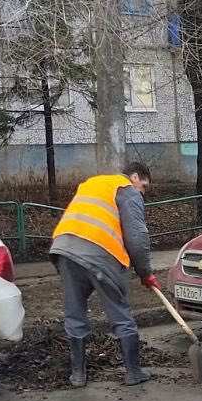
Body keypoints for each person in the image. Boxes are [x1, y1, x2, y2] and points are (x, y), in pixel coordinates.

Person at [50, 161, 158, 387]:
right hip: (100, 254)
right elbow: (137, 237)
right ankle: (133, 372)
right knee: (119, 311)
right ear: (135, 177)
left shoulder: (92, 183)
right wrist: (145, 272)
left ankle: (78, 375)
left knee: (74, 312)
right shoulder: (127, 189)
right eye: (144, 186)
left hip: (65, 250)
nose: (143, 192)